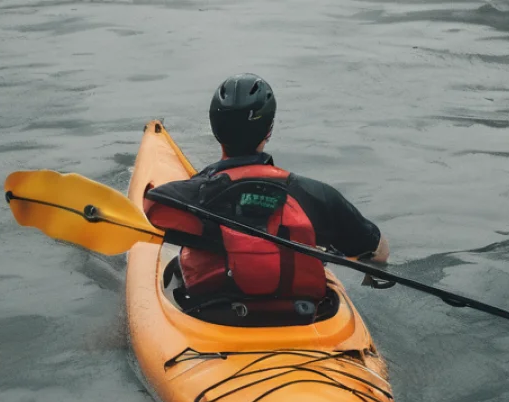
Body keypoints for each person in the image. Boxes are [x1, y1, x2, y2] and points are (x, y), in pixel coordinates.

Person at [143, 73, 390, 324]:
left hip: (213, 315)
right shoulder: (315, 197)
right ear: (269, 130)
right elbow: (379, 253)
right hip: (300, 316)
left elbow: (150, 207)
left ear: (215, 129)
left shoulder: (192, 196)